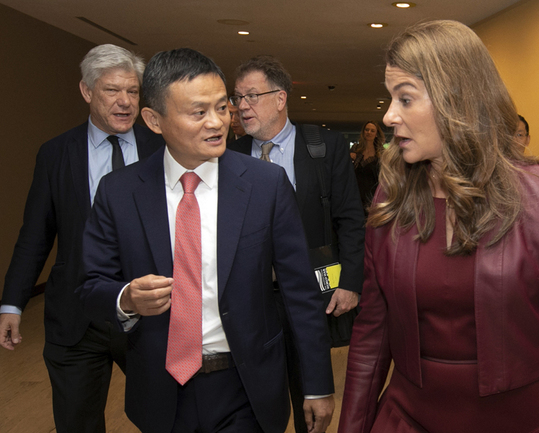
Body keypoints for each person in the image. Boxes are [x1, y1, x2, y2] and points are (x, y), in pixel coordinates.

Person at [338, 20, 539, 433]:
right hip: (409, 417)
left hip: (523, 419)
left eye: (405, 98)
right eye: (390, 98)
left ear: (455, 99)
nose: (389, 115)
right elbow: (372, 334)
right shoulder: (390, 197)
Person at [77, 48, 335, 433]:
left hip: (245, 386)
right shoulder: (120, 192)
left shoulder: (265, 186)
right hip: (161, 389)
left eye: (221, 107)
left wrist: (316, 384)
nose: (217, 123)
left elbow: (300, 291)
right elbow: (89, 286)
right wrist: (127, 298)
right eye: (199, 113)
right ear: (154, 120)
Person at [0, 44, 164, 433]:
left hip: (150, 315)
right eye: (112, 90)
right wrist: (12, 303)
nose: (124, 102)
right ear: (87, 91)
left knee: (168, 418)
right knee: (77, 423)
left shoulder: (164, 150)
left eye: (133, 91)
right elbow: (35, 234)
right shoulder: (56, 154)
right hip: (76, 317)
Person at [228, 55, 365, 433]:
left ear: (280, 98)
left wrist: (350, 282)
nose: (242, 106)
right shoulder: (230, 156)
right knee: (255, 397)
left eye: (252, 96)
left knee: (312, 396)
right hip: (251, 299)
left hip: (310, 293)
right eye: (238, 98)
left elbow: (351, 219)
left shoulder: (324, 147)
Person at [350, 121, 385, 216]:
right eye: (367, 130)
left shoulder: (381, 153)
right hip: (355, 194)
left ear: (376, 134)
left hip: (372, 196)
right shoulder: (355, 149)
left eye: (372, 131)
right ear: (363, 132)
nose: (369, 132)